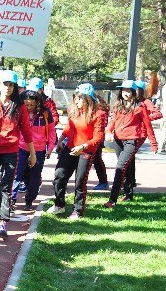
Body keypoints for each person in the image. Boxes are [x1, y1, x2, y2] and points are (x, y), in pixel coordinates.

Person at [0, 70, 36, 237]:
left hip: (11, 150)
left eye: (11, 84)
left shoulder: (19, 106)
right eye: (5, 84)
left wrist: (32, 152)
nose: (8, 87)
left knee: (6, 186)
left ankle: (3, 222)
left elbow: (26, 130)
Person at [48, 83, 103, 218]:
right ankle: (59, 205)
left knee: (80, 181)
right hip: (70, 147)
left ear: (88, 99)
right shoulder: (73, 110)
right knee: (59, 175)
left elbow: (98, 137)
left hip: (86, 150)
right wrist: (60, 140)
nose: (76, 101)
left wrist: (83, 147)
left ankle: (78, 211)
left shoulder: (98, 114)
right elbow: (68, 127)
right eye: (76, 98)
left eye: (80, 98)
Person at [103, 80, 159, 208]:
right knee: (126, 167)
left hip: (132, 140)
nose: (125, 93)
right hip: (118, 140)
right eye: (123, 90)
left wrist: (153, 144)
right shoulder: (118, 105)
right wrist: (108, 132)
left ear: (134, 92)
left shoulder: (140, 106)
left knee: (120, 167)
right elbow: (112, 121)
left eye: (128, 91)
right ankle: (128, 194)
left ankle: (112, 200)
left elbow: (148, 126)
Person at [10, 89, 56, 211]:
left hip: (39, 150)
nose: (29, 107)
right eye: (26, 104)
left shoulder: (45, 113)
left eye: (32, 105)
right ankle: (12, 200)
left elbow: (51, 131)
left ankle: (29, 200)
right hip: (21, 147)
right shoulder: (18, 111)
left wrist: (50, 148)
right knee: (16, 174)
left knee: (35, 177)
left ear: (37, 103)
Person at [91, 94, 110, 190]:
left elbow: (103, 124)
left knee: (97, 160)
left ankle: (103, 182)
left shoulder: (100, 111)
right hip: (87, 139)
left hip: (96, 139)